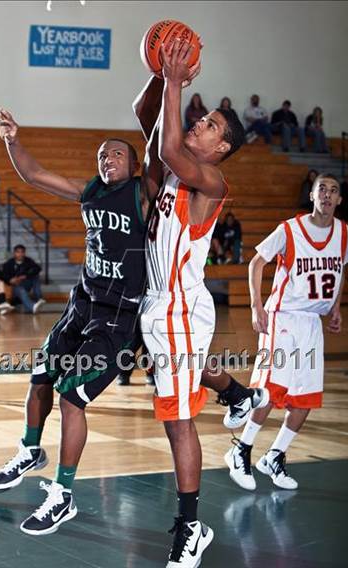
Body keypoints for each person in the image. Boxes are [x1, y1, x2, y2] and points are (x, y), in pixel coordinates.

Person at [134, 41, 269, 567]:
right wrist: (157, 74)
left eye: (209, 124)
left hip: (181, 309)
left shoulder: (210, 180)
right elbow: (143, 119)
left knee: (176, 418)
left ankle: (191, 526)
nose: (198, 123)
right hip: (157, 304)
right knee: (181, 384)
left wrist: (175, 80)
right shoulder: (175, 164)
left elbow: (166, 146)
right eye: (201, 117)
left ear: (221, 149)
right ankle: (237, 393)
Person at [0, 108, 149, 536]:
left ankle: (62, 494)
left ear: (135, 164)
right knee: (40, 375)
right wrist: (11, 140)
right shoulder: (90, 191)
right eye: (102, 155)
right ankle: (29, 449)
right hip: (82, 304)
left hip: (118, 317)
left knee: (71, 397)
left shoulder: (142, 192)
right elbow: (35, 174)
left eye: (116, 154)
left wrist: (167, 84)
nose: (107, 159)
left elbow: (162, 149)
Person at [224, 174, 348, 491]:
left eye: (333, 190)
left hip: (312, 322)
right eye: (321, 189)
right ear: (311, 195)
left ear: (340, 200)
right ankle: (239, 450)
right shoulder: (290, 229)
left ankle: (275, 455)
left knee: (306, 398)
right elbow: (256, 263)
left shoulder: (346, 234)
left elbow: (340, 270)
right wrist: (256, 306)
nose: (327, 194)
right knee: (271, 388)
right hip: (282, 316)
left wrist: (335, 307)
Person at [2, 244, 46, 313]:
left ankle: (39, 299)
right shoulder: (9, 263)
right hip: (14, 287)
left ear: (24, 253)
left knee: (35, 277)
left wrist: (25, 276)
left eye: (22, 252)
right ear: (14, 253)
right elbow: (3, 275)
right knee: (20, 290)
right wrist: (11, 280)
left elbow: (37, 268)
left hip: (25, 283)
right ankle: (32, 307)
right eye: (18, 252)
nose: (20, 254)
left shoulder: (28, 261)